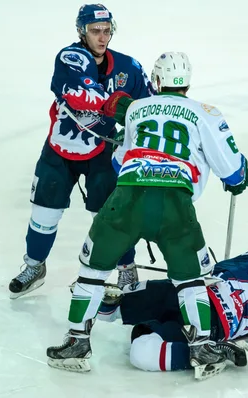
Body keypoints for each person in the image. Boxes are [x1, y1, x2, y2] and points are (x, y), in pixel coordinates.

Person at [45, 51, 248, 380]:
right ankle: (201, 347)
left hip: (127, 197)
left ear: (156, 82)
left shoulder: (138, 109)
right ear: (188, 82)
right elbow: (232, 169)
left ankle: (76, 343)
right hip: (175, 204)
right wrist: (239, 179)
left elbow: (118, 161)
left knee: (93, 270)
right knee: (190, 279)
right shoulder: (206, 113)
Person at [8, 4, 155, 299]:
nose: (102, 37)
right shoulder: (70, 57)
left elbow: (148, 107)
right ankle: (35, 266)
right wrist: (113, 104)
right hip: (60, 150)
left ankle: (126, 268)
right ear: (81, 32)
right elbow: (78, 94)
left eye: (106, 31)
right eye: (95, 31)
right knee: (44, 214)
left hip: (102, 150)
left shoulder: (129, 68)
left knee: (115, 215)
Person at [96, 250, 248, 373]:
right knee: (142, 352)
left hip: (188, 291)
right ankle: (213, 352)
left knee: (112, 306)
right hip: (207, 323)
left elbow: (217, 268)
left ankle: (105, 304)